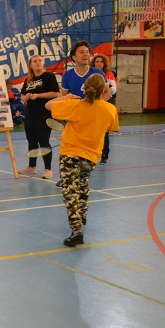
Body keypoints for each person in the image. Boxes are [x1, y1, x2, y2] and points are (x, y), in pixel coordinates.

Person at [46, 74, 119, 247]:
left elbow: (48, 105)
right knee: (82, 184)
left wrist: (67, 97)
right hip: (92, 156)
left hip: (70, 153)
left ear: (84, 88)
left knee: (70, 192)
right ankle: (82, 215)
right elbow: (112, 128)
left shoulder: (75, 105)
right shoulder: (110, 109)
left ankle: (76, 231)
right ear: (103, 90)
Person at [55, 41, 110, 186]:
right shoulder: (67, 75)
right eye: (81, 52)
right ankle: (67, 175)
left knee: (88, 148)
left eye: (87, 52)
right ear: (74, 57)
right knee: (69, 146)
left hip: (92, 118)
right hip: (75, 116)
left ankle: (82, 176)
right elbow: (64, 97)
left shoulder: (97, 73)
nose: (85, 54)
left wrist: (95, 108)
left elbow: (107, 93)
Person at [19, 55, 60, 178]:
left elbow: (56, 94)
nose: (37, 63)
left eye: (39, 61)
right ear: (31, 65)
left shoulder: (49, 76)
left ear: (43, 63)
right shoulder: (28, 80)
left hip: (44, 115)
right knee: (31, 142)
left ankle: (48, 169)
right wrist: (26, 97)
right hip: (30, 115)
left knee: (43, 141)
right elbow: (22, 97)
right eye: (34, 61)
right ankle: (31, 167)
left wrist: (38, 95)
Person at [90, 54, 117, 163]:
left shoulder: (109, 74)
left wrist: (107, 86)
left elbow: (113, 91)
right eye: (97, 61)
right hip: (92, 104)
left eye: (101, 61)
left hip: (105, 103)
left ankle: (104, 155)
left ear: (104, 63)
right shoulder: (90, 74)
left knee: (104, 131)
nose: (99, 63)